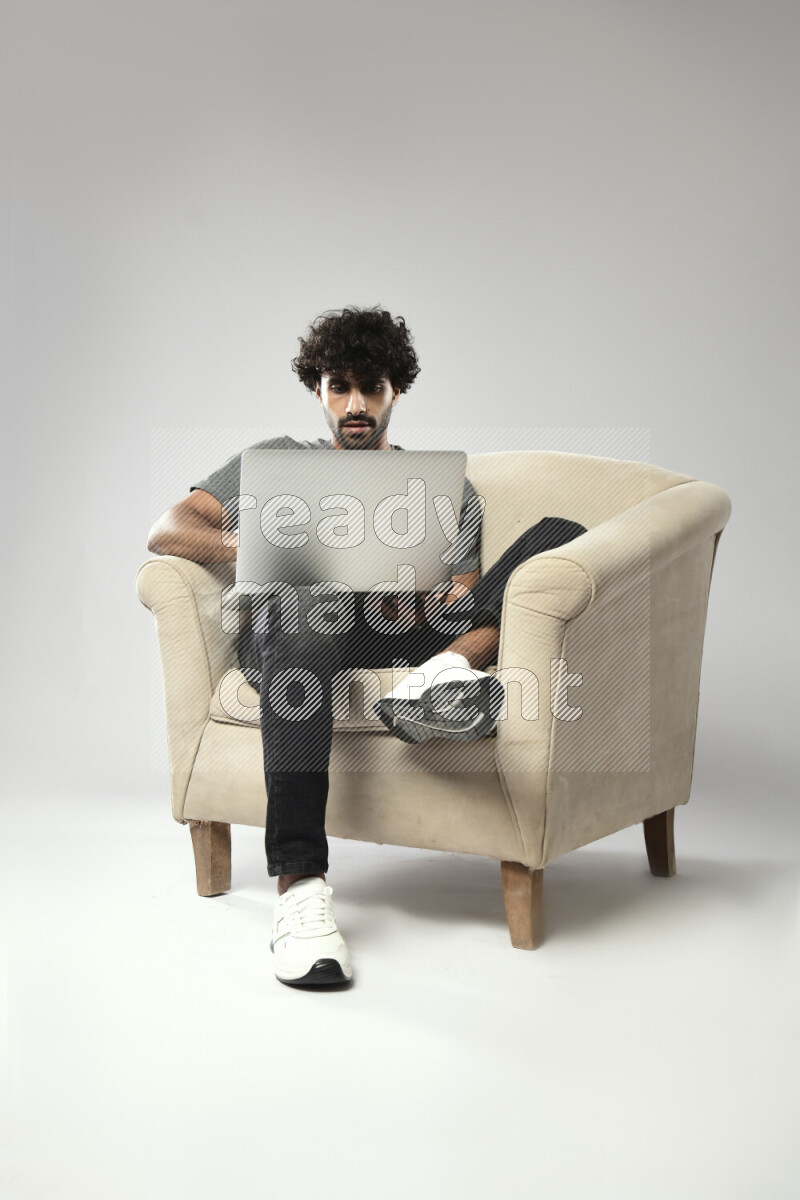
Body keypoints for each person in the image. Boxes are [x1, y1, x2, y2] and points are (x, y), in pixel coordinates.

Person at [147, 305, 587, 989]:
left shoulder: (445, 489)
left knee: (561, 529)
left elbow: (462, 592)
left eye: (370, 387)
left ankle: (444, 671)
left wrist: (421, 598)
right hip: (294, 628)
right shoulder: (277, 461)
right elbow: (169, 529)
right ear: (318, 391)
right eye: (339, 386)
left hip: (392, 628)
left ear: (395, 391)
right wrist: (267, 546)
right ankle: (300, 890)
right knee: (308, 602)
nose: (355, 404)